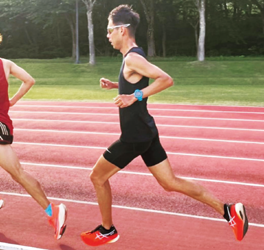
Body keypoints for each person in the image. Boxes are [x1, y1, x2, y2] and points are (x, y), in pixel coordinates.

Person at [80, 5, 248, 246]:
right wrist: (118, 87)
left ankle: (107, 230)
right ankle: (229, 211)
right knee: (170, 183)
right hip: (146, 132)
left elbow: (166, 79)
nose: (107, 35)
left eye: (109, 30)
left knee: (97, 177)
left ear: (122, 30)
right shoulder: (132, 58)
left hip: (134, 136)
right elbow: (137, 82)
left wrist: (133, 97)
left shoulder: (134, 58)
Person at [0, 20, 67, 240]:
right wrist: (12, 101)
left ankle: (52, 210)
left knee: (18, 173)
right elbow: (29, 80)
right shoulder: (5, 63)